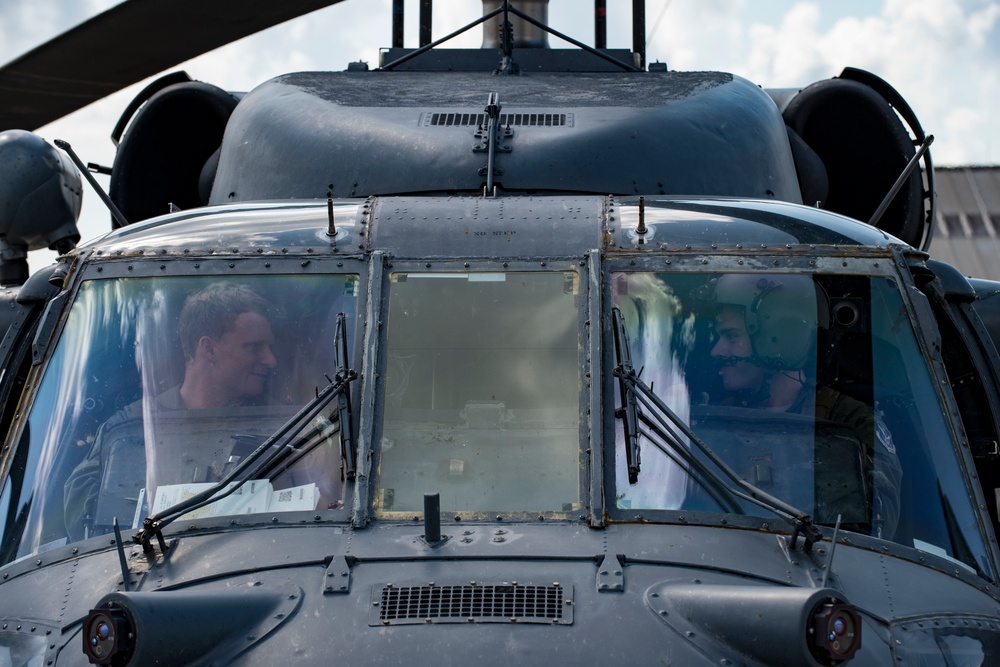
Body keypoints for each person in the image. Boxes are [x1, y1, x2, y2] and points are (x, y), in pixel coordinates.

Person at [63, 282, 311, 540]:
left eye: (268, 347)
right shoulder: (131, 426)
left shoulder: (281, 426)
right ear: (209, 349)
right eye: (254, 347)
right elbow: (84, 519)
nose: (270, 360)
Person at [706, 273, 902, 538]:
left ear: (778, 339)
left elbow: (878, 526)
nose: (716, 351)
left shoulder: (851, 422)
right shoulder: (710, 416)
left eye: (731, 337)